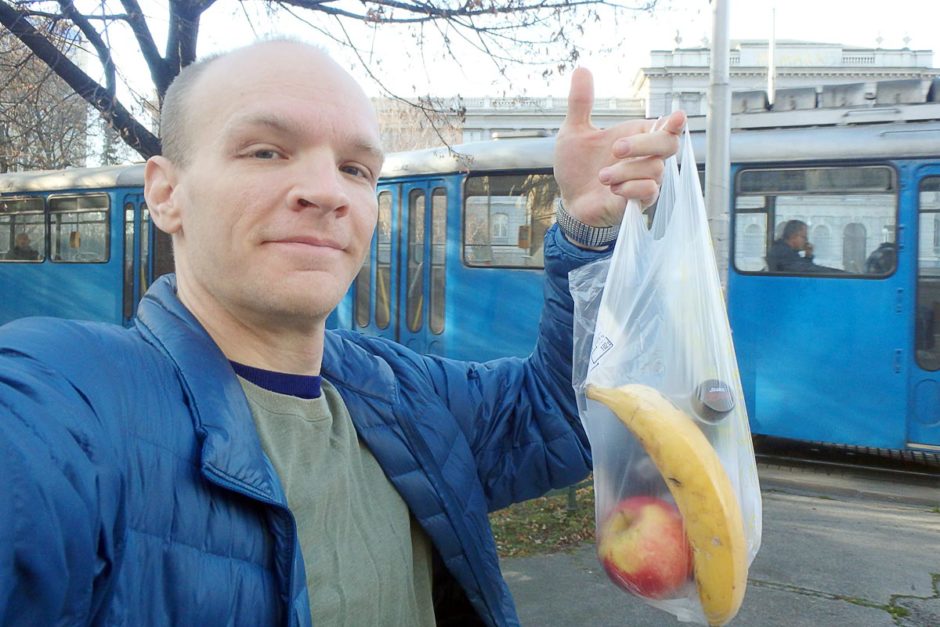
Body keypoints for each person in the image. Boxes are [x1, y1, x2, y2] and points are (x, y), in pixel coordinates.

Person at [0, 39, 684, 626]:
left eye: (356, 168)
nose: (326, 190)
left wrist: (589, 227)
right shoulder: (67, 401)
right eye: (267, 151)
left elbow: (565, 413)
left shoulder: (404, 393)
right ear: (165, 193)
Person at [766, 219, 841, 273]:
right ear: (793, 236)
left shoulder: (788, 251)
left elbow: (803, 267)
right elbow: (806, 270)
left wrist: (808, 255)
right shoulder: (783, 253)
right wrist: (839, 274)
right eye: (804, 237)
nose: (806, 241)